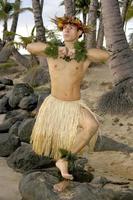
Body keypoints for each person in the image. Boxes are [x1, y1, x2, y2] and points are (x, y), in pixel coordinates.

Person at [27, 15, 109, 192]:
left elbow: (105, 55)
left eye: (72, 28)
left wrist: (80, 52)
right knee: (59, 144)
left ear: (79, 33)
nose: (67, 29)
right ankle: (63, 179)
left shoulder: (83, 57)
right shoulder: (52, 51)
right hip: (54, 105)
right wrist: (56, 49)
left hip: (74, 106)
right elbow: (30, 47)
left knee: (91, 125)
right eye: (64, 27)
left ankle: (63, 161)